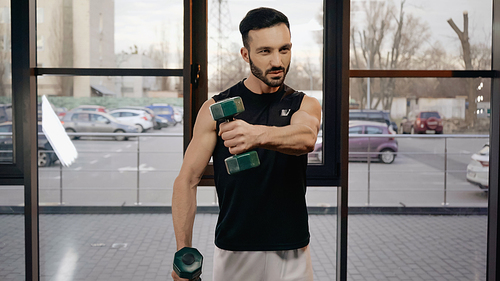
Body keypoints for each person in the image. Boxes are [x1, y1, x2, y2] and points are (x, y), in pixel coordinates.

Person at [172, 7, 321, 281]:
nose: (278, 61)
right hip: (235, 249)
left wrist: (256, 135)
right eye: (265, 51)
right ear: (246, 54)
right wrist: (184, 249)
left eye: (284, 49)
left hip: (293, 251)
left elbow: (306, 138)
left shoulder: (304, 104)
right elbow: (186, 180)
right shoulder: (214, 108)